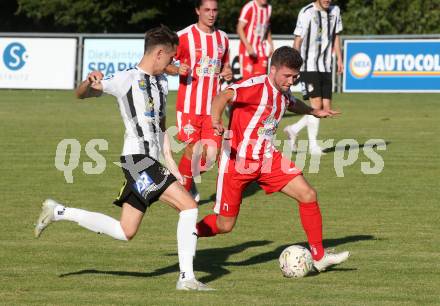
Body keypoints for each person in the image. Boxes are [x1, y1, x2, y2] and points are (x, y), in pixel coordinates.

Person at [34, 25, 213, 291]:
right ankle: (186, 278)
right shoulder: (126, 79)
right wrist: (88, 81)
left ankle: (58, 211)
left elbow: (160, 127)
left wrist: (170, 162)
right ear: (160, 53)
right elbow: (82, 94)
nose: (172, 63)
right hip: (136, 160)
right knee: (189, 206)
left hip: (150, 162)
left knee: (125, 231)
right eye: (171, 58)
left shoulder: (163, 83)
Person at [196, 46, 349, 272]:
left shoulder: (283, 91)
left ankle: (319, 256)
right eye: (287, 75)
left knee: (308, 195)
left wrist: (313, 112)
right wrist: (216, 120)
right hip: (238, 163)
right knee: (224, 225)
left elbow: (292, 102)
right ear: (273, 69)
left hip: (268, 160)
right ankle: (189, 231)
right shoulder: (255, 86)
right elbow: (222, 96)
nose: (291, 81)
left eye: (295, 76)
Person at [165, 0, 233, 201]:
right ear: (197, 11)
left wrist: (227, 73)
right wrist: (177, 69)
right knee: (193, 150)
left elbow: (226, 67)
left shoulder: (223, 38)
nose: (211, 14)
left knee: (210, 157)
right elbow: (163, 63)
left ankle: (183, 180)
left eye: (214, 10)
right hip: (188, 108)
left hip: (213, 110)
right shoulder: (183, 36)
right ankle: (184, 193)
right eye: (207, 10)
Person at [283, 0, 343, 155]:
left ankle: (293, 129)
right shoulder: (306, 12)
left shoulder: (335, 11)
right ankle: (313, 146)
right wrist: (294, 65)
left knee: (325, 109)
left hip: (326, 65)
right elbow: (298, 40)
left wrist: (340, 60)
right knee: (316, 106)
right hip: (308, 66)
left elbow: (336, 35)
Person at [237, 0, 274, 79]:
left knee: (261, 80)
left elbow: (267, 28)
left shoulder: (269, 8)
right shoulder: (249, 7)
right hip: (247, 51)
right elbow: (239, 28)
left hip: (261, 50)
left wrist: (271, 45)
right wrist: (248, 47)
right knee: (247, 82)